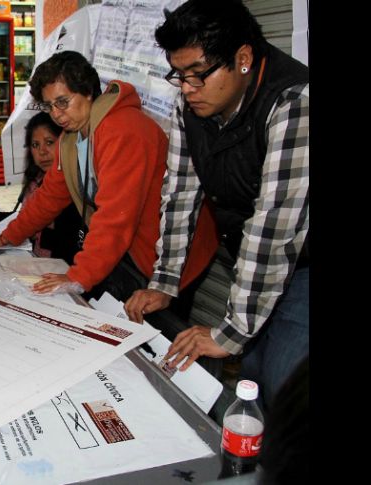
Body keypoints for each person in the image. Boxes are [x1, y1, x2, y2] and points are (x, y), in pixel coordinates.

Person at [124, 0, 309, 411]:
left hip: (302, 264)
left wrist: (230, 332)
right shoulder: (191, 105)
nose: (187, 87)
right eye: (179, 74)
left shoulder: (295, 102)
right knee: (253, 378)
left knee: (284, 384)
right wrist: (164, 281)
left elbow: (274, 227)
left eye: (198, 74)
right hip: (257, 262)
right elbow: (180, 195)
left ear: (243, 59)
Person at [0, 50, 216, 301]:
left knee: (157, 331)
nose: (56, 114)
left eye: (62, 102)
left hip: (171, 255)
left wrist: (79, 276)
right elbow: (49, 197)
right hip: (129, 249)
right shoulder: (72, 137)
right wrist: (7, 236)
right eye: (49, 106)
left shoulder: (123, 130)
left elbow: (115, 216)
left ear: (88, 92)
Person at [0, 112, 81, 264]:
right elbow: (28, 217)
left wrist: (4, 238)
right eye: (35, 145)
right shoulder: (36, 180)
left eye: (49, 142)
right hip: (36, 262)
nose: (42, 151)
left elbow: (42, 223)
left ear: (65, 144)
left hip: (59, 269)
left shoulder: (72, 185)